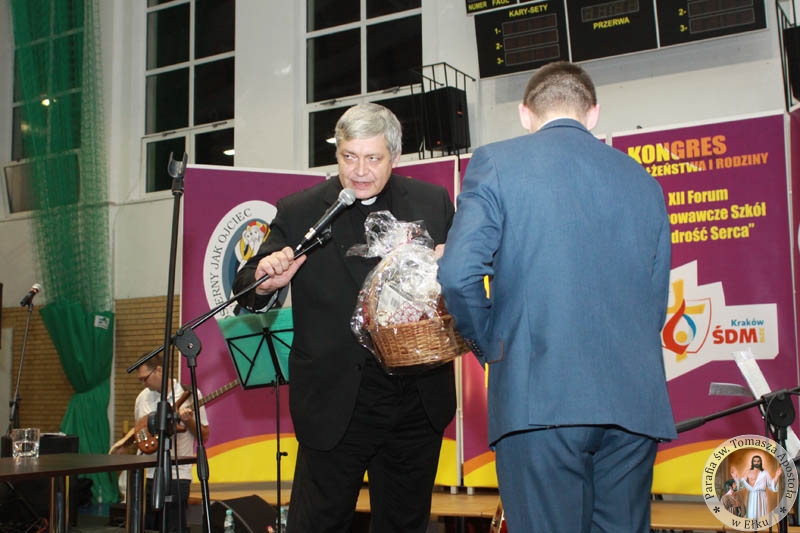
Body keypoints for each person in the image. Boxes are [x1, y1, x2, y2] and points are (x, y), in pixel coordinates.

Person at [437, 61, 677, 532]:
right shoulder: (644, 182)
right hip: (633, 402)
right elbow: (654, 302)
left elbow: (459, 274)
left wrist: (493, 349)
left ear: (525, 113)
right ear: (594, 114)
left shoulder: (496, 163)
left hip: (539, 401)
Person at [233, 102, 456, 532]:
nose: (359, 171)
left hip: (416, 400)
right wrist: (263, 280)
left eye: (373, 158)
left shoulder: (432, 202)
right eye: (348, 156)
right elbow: (247, 286)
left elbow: (471, 276)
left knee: (405, 525)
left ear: (395, 156)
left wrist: (457, 261)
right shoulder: (300, 210)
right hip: (334, 401)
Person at [134, 354, 210, 532]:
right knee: (150, 528)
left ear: (159, 370)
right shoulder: (142, 398)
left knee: (174, 528)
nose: (143, 384)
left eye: (145, 378)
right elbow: (140, 431)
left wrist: (189, 421)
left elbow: (204, 434)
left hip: (178, 475)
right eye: (140, 380)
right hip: (151, 475)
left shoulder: (189, 394)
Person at [731, 454, 782, 518]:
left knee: (761, 515)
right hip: (751, 497)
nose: (756, 462)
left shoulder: (765, 473)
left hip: (761, 497)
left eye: (758, 461)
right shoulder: (748, 472)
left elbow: (771, 485)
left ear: (760, 462)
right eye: (754, 461)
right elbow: (741, 485)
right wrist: (735, 477)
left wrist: (777, 476)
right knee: (751, 515)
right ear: (752, 462)